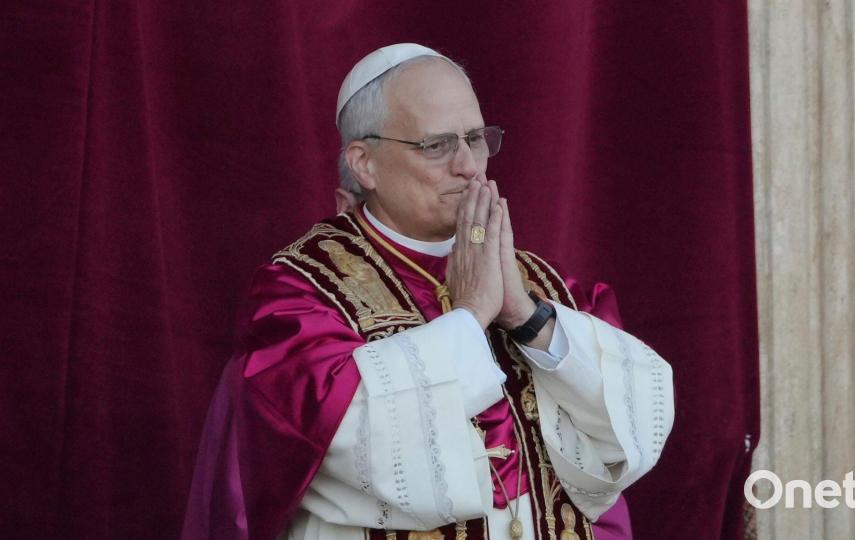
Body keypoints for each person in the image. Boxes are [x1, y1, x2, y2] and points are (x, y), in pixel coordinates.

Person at [182, 43, 675, 540]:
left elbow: (633, 425)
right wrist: (468, 317)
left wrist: (523, 316)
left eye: (476, 139)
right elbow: (342, 443)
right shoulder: (303, 290)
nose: (468, 165)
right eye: (437, 145)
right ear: (364, 164)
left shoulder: (540, 284)